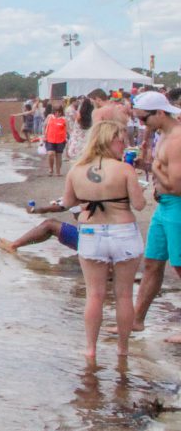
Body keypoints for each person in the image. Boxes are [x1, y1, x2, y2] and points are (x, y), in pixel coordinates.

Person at [63, 120, 146, 366]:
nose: (125, 145)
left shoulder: (76, 169)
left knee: (95, 295)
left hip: (91, 232)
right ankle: (122, 349)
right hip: (123, 231)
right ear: (109, 139)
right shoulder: (124, 170)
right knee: (123, 295)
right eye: (121, 139)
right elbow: (140, 205)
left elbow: (68, 202)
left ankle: (90, 349)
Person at [132, 92, 181, 339]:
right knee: (151, 263)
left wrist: (153, 168)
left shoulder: (176, 139)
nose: (142, 124)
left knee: (180, 266)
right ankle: (137, 320)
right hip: (164, 207)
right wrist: (147, 166)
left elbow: (176, 185)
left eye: (144, 119)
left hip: (177, 205)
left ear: (160, 113)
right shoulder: (162, 136)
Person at [43, 102, 69, 176]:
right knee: (50, 154)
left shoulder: (64, 119)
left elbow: (68, 129)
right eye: (56, 112)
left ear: (61, 112)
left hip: (60, 139)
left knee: (59, 155)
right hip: (49, 139)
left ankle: (58, 171)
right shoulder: (49, 117)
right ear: (53, 111)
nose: (57, 113)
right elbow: (44, 126)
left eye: (59, 112)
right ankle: (51, 168)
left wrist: (68, 137)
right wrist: (44, 135)